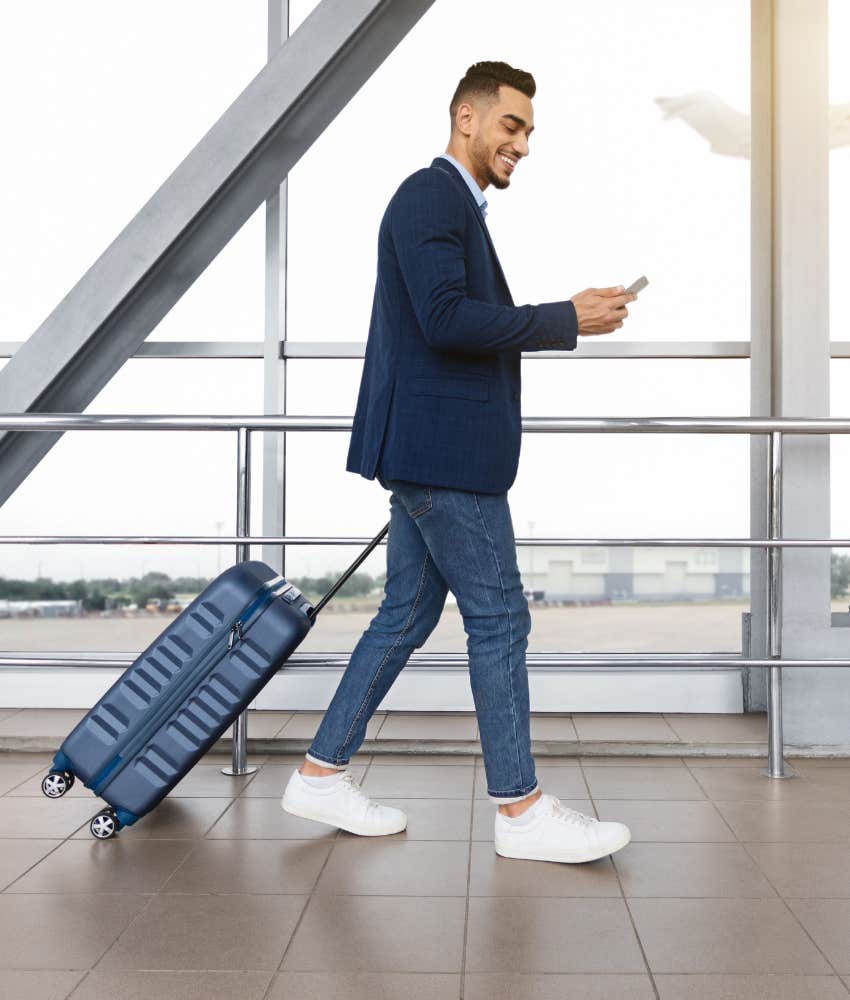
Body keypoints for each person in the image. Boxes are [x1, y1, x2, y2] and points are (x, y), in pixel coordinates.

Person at [282, 60, 637, 863]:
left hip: (431, 451)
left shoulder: (455, 208)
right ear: (466, 117)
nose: (522, 144)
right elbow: (444, 319)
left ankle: (319, 773)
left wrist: (565, 315)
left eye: (529, 133)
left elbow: (452, 316)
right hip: (441, 456)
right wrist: (563, 318)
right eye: (511, 126)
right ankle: (521, 813)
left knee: (404, 617)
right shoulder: (430, 195)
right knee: (501, 618)